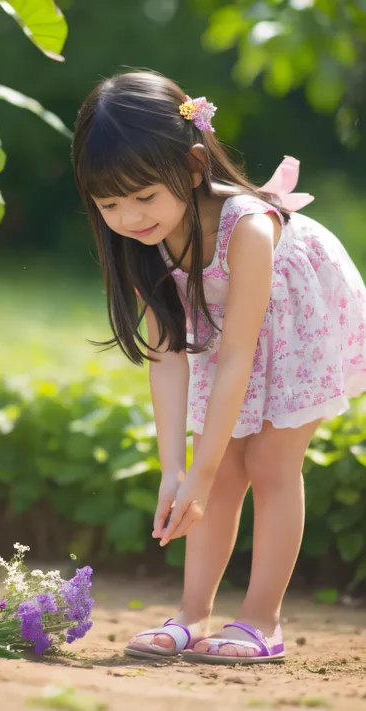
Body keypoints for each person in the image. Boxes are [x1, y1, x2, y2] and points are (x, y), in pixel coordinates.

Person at [71, 70, 366, 665]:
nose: (129, 217)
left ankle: (263, 621)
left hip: (296, 317)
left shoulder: (250, 229)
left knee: (268, 460)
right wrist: (175, 471)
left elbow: (237, 355)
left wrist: (198, 475)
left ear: (195, 165)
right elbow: (167, 357)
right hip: (227, 327)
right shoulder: (142, 240)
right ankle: (193, 615)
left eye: (144, 196)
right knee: (220, 466)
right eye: (110, 204)